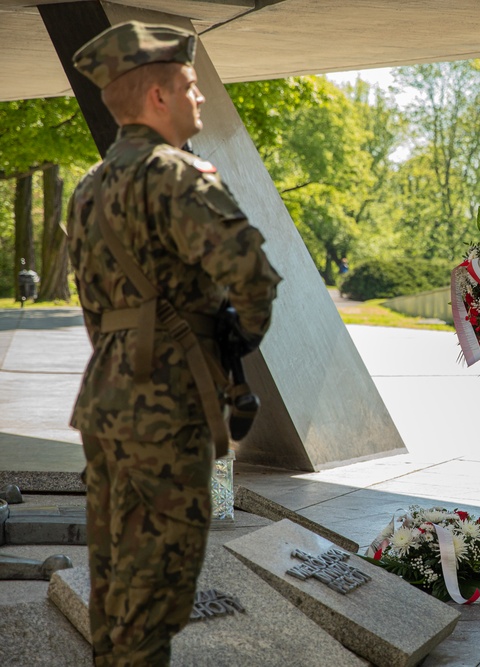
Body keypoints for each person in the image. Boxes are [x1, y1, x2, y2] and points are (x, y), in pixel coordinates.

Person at [67, 21, 281, 665]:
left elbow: (94, 307)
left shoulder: (88, 188)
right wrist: (231, 343)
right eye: (190, 86)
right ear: (157, 97)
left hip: (107, 404)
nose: (200, 98)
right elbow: (253, 278)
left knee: (114, 594)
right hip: (167, 411)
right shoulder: (176, 177)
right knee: (156, 598)